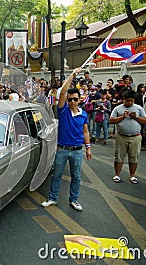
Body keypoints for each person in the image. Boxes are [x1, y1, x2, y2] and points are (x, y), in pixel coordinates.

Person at [41, 68, 92, 211]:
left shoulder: (83, 114)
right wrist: (73, 74)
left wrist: (88, 147)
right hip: (62, 149)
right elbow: (62, 92)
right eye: (70, 100)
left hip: (77, 150)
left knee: (76, 177)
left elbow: (85, 131)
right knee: (56, 175)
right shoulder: (63, 111)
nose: (72, 102)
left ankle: (74, 200)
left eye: (75, 99)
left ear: (80, 100)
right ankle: (52, 198)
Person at [109, 90, 146, 184]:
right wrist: (122, 117)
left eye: (132, 101)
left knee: (133, 157)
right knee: (118, 156)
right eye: (128, 101)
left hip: (135, 137)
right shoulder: (118, 108)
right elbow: (111, 120)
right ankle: (117, 174)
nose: (130, 103)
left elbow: (145, 121)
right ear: (123, 99)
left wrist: (136, 117)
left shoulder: (138, 108)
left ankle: (132, 175)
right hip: (121, 136)